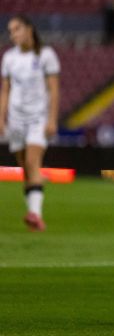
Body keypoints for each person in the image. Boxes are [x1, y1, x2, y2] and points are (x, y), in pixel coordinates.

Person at [0, 16, 60, 232]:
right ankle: (34, 216)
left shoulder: (46, 55)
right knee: (25, 167)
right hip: (16, 119)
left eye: (16, 29)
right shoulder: (9, 58)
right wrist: (1, 117)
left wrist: (52, 119)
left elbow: (54, 89)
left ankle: (35, 214)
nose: (13, 34)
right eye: (10, 30)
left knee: (33, 162)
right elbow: (5, 89)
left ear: (29, 29)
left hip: (38, 118)